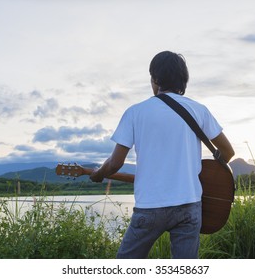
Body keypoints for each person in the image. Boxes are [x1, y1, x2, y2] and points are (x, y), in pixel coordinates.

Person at [90, 50, 234, 259]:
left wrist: (98, 174)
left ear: (155, 79)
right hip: (189, 206)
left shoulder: (135, 112)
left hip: (150, 207)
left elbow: (115, 163)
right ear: (183, 80)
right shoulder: (199, 110)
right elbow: (228, 152)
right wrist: (203, 174)